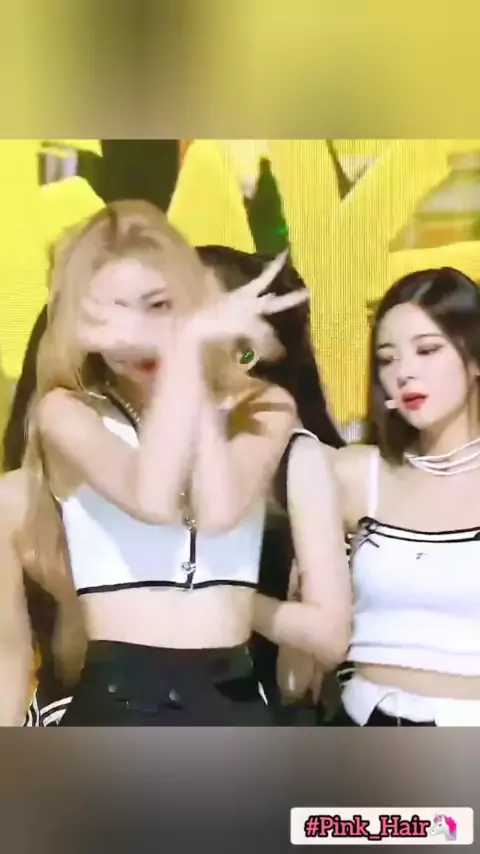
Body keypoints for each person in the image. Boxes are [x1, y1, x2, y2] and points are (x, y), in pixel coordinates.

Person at [13, 198, 344, 727]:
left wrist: (192, 366)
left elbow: (219, 510)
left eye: (157, 305)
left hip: (232, 700)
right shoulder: (67, 412)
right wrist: (186, 354)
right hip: (120, 701)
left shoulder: (266, 405)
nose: (137, 333)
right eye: (112, 313)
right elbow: (151, 497)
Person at [197, 246, 351, 719]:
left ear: (247, 350)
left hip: (255, 712)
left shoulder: (296, 458)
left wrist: (219, 597)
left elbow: (329, 634)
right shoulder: (145, 438)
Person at [327, 266, 480, 726]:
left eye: (427, 350)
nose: (404, 373)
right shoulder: (357, 473)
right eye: (387, 359)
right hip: (366, 724)